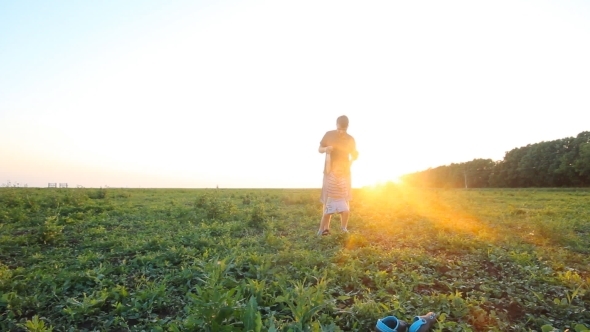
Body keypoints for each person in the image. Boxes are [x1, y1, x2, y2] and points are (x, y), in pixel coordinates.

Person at [317, 115, 358, 235]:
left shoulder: (351, 139)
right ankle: (325, 229)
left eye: (344, 130)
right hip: (329, 171)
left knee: (345, 198)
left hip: (345, 172)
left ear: (347, 127)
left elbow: (354, 154)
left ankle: (343, 229)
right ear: (336, 125)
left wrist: (356, 155)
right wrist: (326, 149)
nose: (341, 132)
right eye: (340, 129)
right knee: (327, 199)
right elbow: (319, 149)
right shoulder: (329, 134)